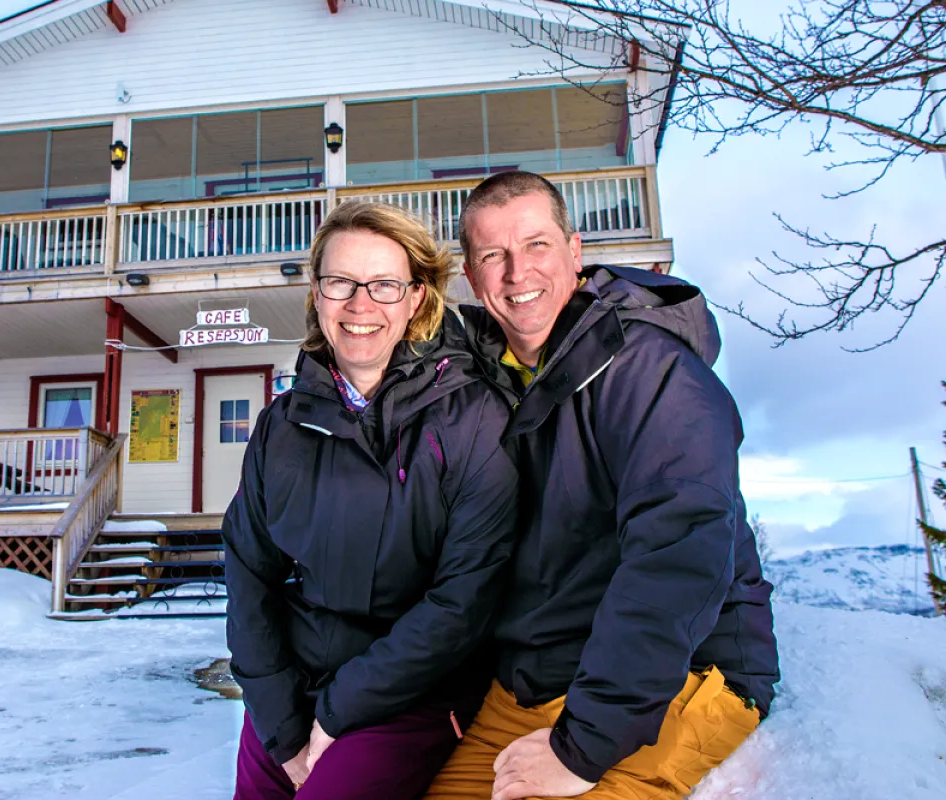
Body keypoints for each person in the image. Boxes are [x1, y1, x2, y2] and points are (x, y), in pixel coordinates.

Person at [426, 172, 780, 800]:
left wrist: (583, 748)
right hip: (531, 685)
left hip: (680, 679)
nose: (517, 272)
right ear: (473, 279)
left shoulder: (653, 372)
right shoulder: (486, 384)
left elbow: (678, 553)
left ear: (575, 251)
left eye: (536, 245)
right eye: (493, 256)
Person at [224, 201, 520, 799]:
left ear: (417, 298)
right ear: (317, 294)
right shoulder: (281, 425)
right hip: (292, 689)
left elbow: (462, 602)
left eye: (385, 285)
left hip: (413, 691)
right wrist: (282, 720)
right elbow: (248, 571)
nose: (361, 304)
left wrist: (335, 714)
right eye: (341, 282)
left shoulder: (471, 420)